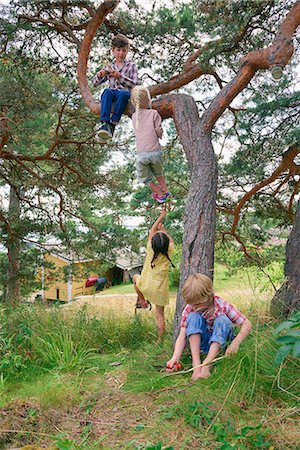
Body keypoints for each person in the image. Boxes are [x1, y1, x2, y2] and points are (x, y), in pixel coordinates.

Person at [166, 273, 252, 381]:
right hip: (204, 344)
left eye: (197, 304)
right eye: (192, 304)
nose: (194, 308)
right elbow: (182, 335)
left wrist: (235, 344)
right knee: (193, 317)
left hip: (222, 344)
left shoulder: (221, 305)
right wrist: (175, 357)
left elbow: (247, 324)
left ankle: (207, 364)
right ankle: (196, 365)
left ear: (209, 297)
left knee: (222, 319)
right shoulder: (190, 309)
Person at [132, 207, 174, 341]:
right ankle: (160, 341)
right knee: (160, 315)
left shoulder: (150, 249)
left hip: (146, 285)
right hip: (160, 291)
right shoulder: (169, 251)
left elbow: (152, 230)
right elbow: (170, 240)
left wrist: (161, 216)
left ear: (153, 244)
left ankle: (142, 300)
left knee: (134, 278)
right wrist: (164, 232)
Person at [92, 34, 139, 140]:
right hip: (112, 93)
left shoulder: (132, 66)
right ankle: (105, 123)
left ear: (127, 51)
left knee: (123, 93)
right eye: (118, 50)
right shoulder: (109, 66)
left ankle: (113, 124)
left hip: (124, 93)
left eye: (124, 50)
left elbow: (135, 85)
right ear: (113, 50)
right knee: (107, 91)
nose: (121, 53)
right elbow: (94, 83)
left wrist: (120, 76)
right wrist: (100, 75)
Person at [131, 85, 171, 204]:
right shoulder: (154, 113)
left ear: (133, 102)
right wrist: (160, 135)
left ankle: (159, 194)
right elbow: (158, 129)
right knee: (158, 172)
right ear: (148, 100)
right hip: (155, 152)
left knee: (144, 178)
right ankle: (165, 189)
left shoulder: (134, 116)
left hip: (142, 155)